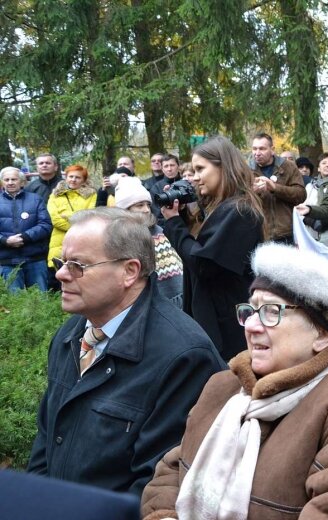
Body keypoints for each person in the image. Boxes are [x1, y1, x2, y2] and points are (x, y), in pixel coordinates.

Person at [141, 243, 328, 520]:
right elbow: (173, 468)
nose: (251, 325)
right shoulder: (224, 386)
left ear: (322, 334)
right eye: (250, 311)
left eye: (272, 312)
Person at [27, 208, 225, 495]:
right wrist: (38, 501)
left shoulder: (183, 356)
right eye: (62, 262)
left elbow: (156, 483)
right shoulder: (69, 335)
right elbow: (46, 439)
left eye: (77, 265)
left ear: (129, 271)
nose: (60, 274)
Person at [162, 136, 265, 362]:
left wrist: (173, 224)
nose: (195, 178)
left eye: (200, 169)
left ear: (223, 166)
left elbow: (202, 263)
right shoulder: (223, 209)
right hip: (217, 317)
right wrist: (181, 214)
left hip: (226, 325)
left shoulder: (239, 211)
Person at [114, 176, 184, 307]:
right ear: (125, 210)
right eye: (139, 205)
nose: (146, 209)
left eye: (148, 205)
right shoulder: (120, 238)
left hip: (175, 302)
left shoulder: (158, 231)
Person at [0, 166, 52, 291]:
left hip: (34, 258)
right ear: (2, 182)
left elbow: (45, 225)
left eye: (14, 179)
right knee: (15, 304)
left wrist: (24, 237)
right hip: (7, 260)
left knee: (39, 301)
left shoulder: (35, 199)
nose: (10, 182)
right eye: (6, 180)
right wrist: (5, 240)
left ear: (22, 182)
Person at [249, 133, 306, 244]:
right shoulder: (246, 170)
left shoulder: (288, 167)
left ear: (272, 149)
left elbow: (301, 195)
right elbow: (237, 200)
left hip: (285, 233)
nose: (257, 153)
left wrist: (275, 188)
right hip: (258, 233)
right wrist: (252, 193)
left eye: (262, 149)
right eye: (254, 149)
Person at [47, 165, 98, 270]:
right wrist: (76, 222)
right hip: (59, 242)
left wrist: (66, 216)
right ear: (66, 178)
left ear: (83, 180)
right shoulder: (55, 195)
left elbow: (88, 217)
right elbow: (54, 219)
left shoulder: (91, 195)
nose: (73, 180)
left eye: (78, 177)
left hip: (82, 241)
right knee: (60, 276)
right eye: (71, 176)